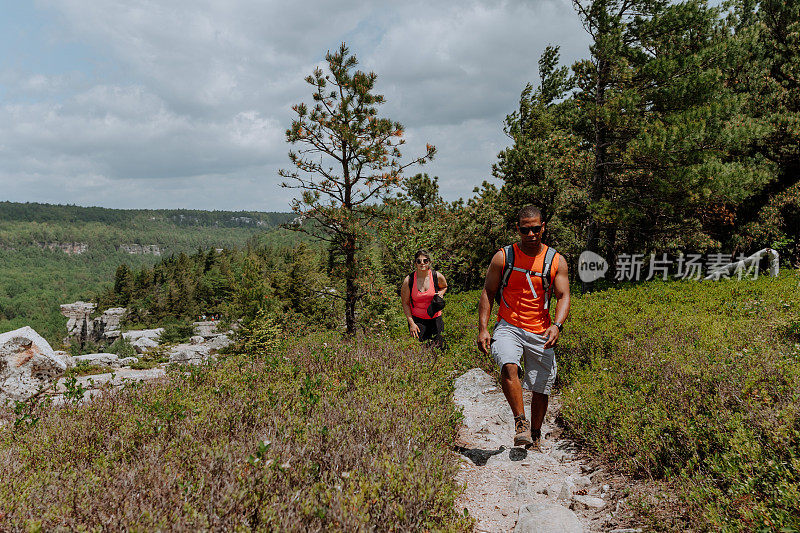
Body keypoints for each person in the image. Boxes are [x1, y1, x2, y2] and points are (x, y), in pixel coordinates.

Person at [477, 205, 571, 450]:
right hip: (509, 324)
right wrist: (484, 329)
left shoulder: (556, 260)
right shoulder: (503, 257)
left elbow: (563, 296)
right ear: (518, 229)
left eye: (536, 229)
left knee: (541, 386)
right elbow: (488, 291)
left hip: (541, 328)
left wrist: (557, 325)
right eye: (525, 230)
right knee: (509, 365)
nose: (531, 234)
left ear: (543, 228)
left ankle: (536, 434)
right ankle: (521, 424)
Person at [401, 249, 448, 348]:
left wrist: (440, 293)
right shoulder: (409, 280)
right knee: (420, 349)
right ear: (415, 263)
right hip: (418, 320)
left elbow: (444, 286)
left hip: (435, 318)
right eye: (419, 261)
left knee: (438, 348)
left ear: (429, 262)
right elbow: (405, 303)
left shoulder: (436, 276)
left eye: (425, 261)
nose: (422, 263)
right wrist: (412, 324)